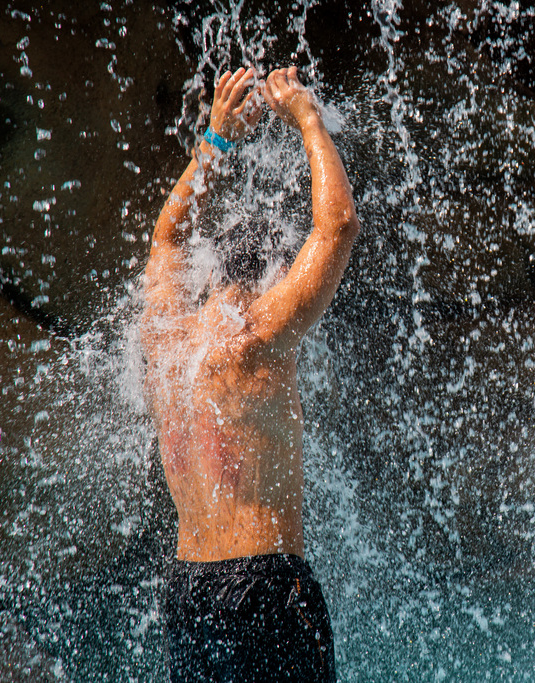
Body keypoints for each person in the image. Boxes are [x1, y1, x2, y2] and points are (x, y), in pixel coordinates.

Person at [141, 66, 359, 682]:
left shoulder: (166, 340)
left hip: (186, 596)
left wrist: (215, 142)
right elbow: (337, 226)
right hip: (263, 589)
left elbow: (167, 242)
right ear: (269, 280)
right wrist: (308, 121)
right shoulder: (260, 337)